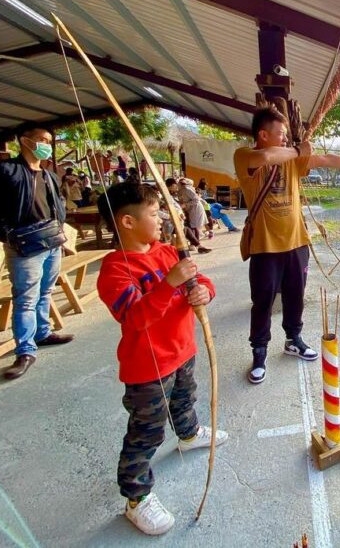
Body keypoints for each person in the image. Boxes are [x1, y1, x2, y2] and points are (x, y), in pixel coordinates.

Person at [96, 181, 226, 536]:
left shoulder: (167, 251)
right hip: (146, 369)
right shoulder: (114, 270)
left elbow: (200, 281)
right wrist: (168, 283)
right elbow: (135, 318)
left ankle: (188, 433)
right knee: (146, 432)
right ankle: (136, 498)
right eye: (154, 214)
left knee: (186, 398)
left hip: (183, 352)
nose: (161, 219)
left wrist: (203, 291)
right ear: (126, 222)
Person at [233, 106, 340, 384]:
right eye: (281, 134)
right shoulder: (245, 155)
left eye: (287, 134)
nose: (285, 139)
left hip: (297, 242)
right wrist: (299, 150)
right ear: (262, 134)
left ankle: (293, 339)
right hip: (265, 246)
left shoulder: (291, 159)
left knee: (295, 295)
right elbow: (265, 156)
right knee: (262, 301)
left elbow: (325, 159)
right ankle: (259, 352)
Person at [0, 123, 73, 380]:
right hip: (24, 245)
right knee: (25, 298)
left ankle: (42, 333)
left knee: (46, 291)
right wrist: (5, 234)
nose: (45, 145)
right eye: (41, 139)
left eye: (49, 141)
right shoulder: (4, 171)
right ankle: (25, 350)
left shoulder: (49, 175)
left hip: (51, 242)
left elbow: (57, 206)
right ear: (24, 141)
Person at [165, 178, 210, 254]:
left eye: (172, 187)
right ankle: (197, 245)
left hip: (195, 209)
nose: (172, 189)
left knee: (193, 226)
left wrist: (184, 205)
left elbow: (196, 200)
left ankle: (195, 245)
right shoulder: (177, 191)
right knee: (191, 226)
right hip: (186, 211)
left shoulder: (186, 189)